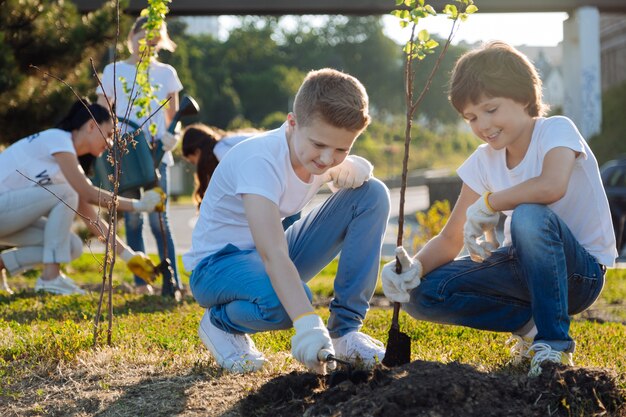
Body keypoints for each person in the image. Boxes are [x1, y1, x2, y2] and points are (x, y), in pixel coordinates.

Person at [381, 41, 617, 377]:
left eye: (491, 110)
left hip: (579, 274)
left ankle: (553, 346)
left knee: (528, 214)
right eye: (471, 117)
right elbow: (450, 239)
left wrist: (491, 202)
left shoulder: (556, 131)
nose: (482, 125)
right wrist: (411, 270)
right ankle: (531, 327)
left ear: (523, 98)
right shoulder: (483, 161)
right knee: (421, 295)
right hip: (520, 269)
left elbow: (551, 186)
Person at [183, 68, 390, 374]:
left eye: (342, 149)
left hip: (260, 258)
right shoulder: (260, 161)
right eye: (319, 145)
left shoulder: (317, 156)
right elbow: (273, 254)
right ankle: (220, 324)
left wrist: (349, 168)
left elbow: (329, 171)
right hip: (216, 267)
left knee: (371, 193)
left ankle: (344, 333)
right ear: (292, 123)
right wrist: (307, 324)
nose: (327, 158)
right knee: (285, 305)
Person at [0, 98, 165, 295]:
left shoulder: (67, 163)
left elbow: (91, 218)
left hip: (9, 216)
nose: (111, 142)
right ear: (91, 126)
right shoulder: (58, 139)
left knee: (72, 246)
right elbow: (87, 193)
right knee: (68, 191)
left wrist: (128, 256)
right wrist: (139, 205)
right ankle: (50, 279)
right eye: (109, 134)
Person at [97, 14, 183, 296]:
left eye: (153, 40)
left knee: (160, 218)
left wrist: (174, 136)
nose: (146, 44)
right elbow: (100, 113)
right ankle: (141, 282)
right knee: (133, 219)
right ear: (130, 37)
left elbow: (174, 116)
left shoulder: (166, 73)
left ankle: (172, 283)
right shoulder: (114, 70)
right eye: (141, 38)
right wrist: (110, 141)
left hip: (158, 154)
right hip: (126, 156)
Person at [181, 123, 301, 229]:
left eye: (193, 161)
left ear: (197, 152)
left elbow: (250, 180)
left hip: (285, 184)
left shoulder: (222, 152)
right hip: (289, 178)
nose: (196, 165)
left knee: (281, 243)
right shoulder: (227, 142)